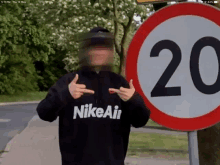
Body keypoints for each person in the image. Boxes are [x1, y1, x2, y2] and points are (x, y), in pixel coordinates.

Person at [36, 27, 151, 165]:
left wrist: (134, 100)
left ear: (110, 52)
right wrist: (66, 94)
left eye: (103, 48)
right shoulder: (70, 81)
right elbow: (44, 113)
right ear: (86, 51)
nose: (99, 52)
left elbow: (141, 121)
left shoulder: (119, 83)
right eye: (94, 48)